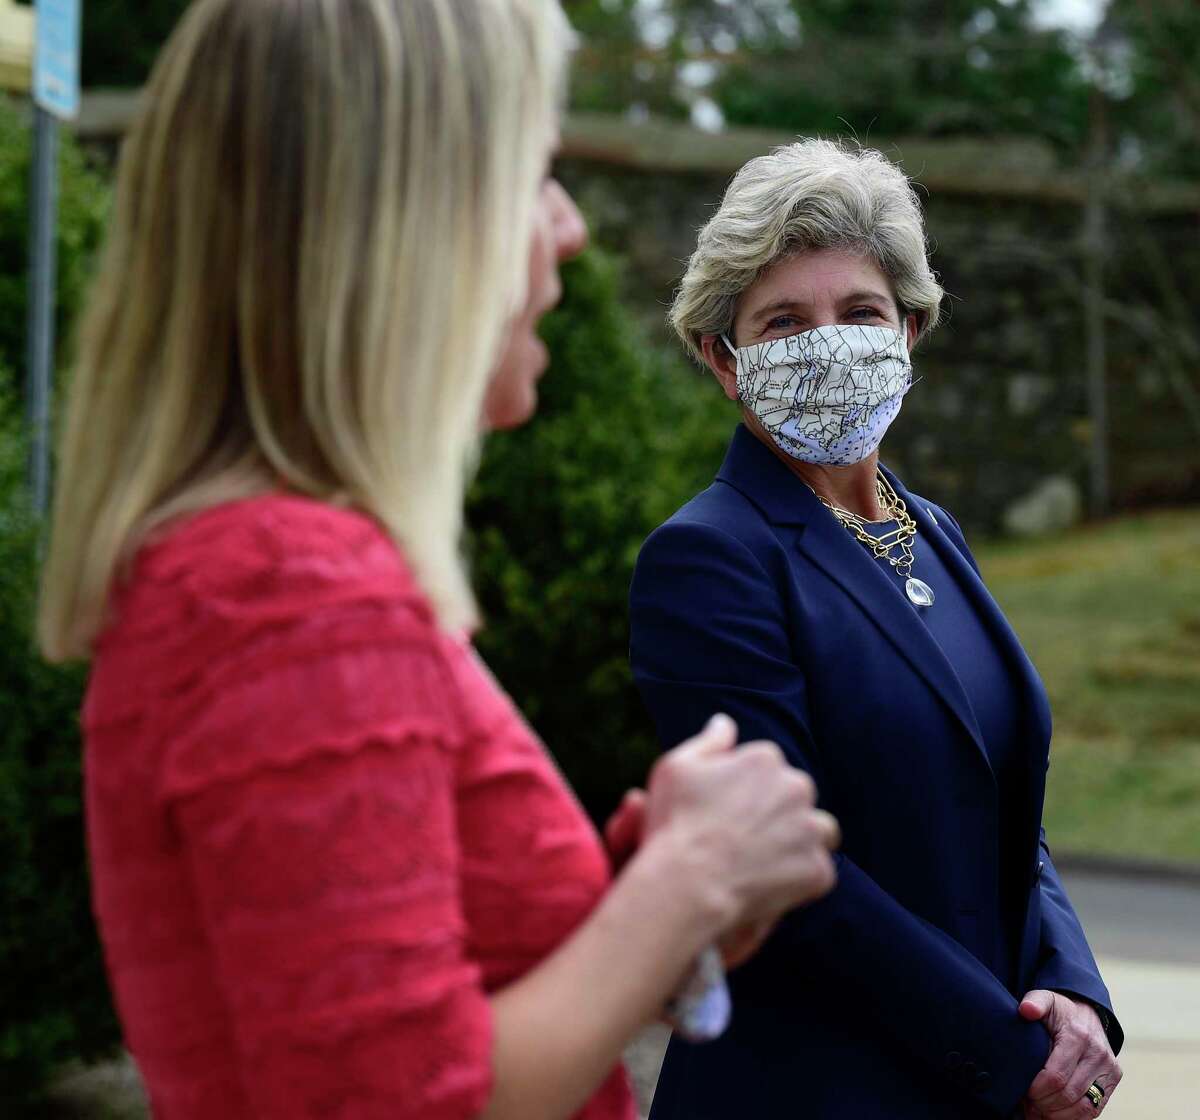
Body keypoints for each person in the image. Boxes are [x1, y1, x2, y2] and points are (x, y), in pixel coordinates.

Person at [36, 4, 841, 1119]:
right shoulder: (291, 591)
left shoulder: (259, 569)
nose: (566, 227)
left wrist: (653, 906)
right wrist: (681, 883)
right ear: (402, 226)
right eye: (532, 171)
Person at [629, 139, 1124, 1120]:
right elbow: (786, 873)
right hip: (814, 1092)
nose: (828, 341)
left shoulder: (933, 533)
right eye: (783, 321)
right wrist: (1005, 1052)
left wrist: (1070, 987)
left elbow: (1001, 807)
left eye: (859, 312)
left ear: (910, 329)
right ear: (722, 359)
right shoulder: (707, 559)